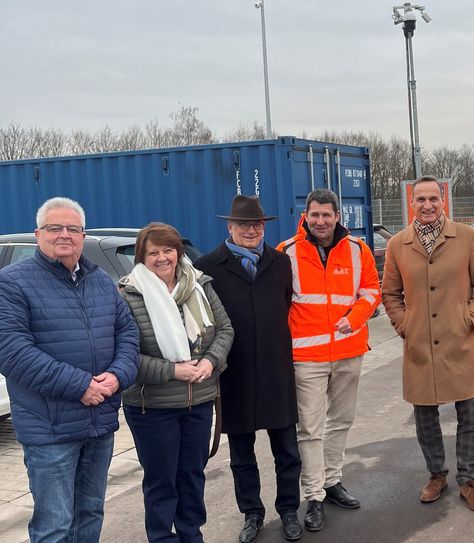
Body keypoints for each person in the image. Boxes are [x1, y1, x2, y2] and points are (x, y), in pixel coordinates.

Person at [0, 196, 139, 542]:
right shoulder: (12, 283)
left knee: (90, 513)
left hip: (100, 422)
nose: (65, 234)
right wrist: (81, 386)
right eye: (54, 228)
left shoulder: (101, 281)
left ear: (82, 235)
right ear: (37, 234)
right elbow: (12, 352)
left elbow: (128, 334)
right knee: (55, 525)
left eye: (73, 228)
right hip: (50, 429)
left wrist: (119, 375)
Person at [382, 176, 474, 513]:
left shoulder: (466, 238)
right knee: (425, 416)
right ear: (412, 203)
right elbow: (389, 293)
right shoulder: (397, 245)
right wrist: (405, 324)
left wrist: (470, 317)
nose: (427, 205)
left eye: (433, 198)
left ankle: (468, 480)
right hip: (419, 343)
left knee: (470, 415)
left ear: (443, 200)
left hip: (461, 340)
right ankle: (436, 474)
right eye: (421, 199)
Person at [195, 195, 303, 542]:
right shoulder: (208, 266)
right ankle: (252, 513)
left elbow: (284, 304)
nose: (251, 230)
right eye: (244, 225)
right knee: (241, 454)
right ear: (230, 227)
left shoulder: (280, 262)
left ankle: (288, 509)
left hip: (276, 369)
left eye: (257, 224)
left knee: (287, 449)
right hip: (235, 373)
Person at [119, 223, 235, 541]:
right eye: (152, 252)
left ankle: (190, 533)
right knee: (161, 479)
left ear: (178, 252)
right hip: (152, 407)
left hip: (198, 400)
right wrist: (173, 371)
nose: (162, 257)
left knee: (192, 475)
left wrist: (210, 361)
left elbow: (225, 330)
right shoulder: (128, 294)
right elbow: (124, 357)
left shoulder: (199, 285)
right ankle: (161, 536)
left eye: (168, 250)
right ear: (141, 257)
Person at [277, 189, 380, 532]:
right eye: (314, 215)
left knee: (342, 420)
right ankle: (315, 495)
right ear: (305, 216)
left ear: (338, 216)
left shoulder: (358, 250)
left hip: (349, 351)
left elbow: (371, 290)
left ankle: (333, 481)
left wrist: (356, 317)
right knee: (309, 429)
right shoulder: (286, 253)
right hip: (306, 356)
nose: (320, 221)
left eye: (327, 215)